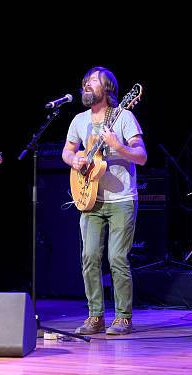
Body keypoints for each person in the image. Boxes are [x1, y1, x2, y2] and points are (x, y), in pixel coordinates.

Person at [62, 67, 147, 335]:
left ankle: (123, 317)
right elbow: (67, 150)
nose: (86, 85)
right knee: (89, 257)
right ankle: (95, 316)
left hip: (121, 198)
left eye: (93, 82)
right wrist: (73, 159)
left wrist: (118, 146)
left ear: (107, 88)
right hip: (90, 198)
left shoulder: (124, 116)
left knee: (117, 257)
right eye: (85, 82)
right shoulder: (78, 120)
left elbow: (142, 156)